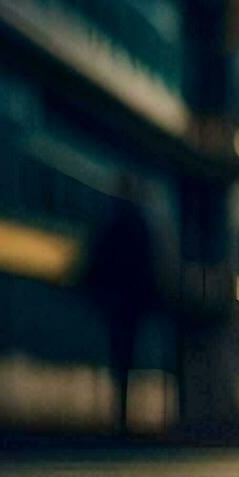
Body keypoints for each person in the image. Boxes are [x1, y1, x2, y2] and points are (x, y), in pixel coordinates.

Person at [82, 177, 159, 435]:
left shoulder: (112, 223)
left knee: (117, 354)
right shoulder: (140, 225)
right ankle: (122, 413)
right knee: (127, 355)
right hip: (132, 303)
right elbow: (149, 268)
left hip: (115, 302)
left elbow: (97, 260)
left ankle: (119, 412)